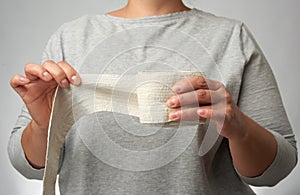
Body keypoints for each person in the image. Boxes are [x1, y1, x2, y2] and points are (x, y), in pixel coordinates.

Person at [8, 0, 297, 194]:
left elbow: (277, 170)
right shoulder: (69, 38)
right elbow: (26, 165)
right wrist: (46, 124)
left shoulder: (232, 38)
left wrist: (240, 129)